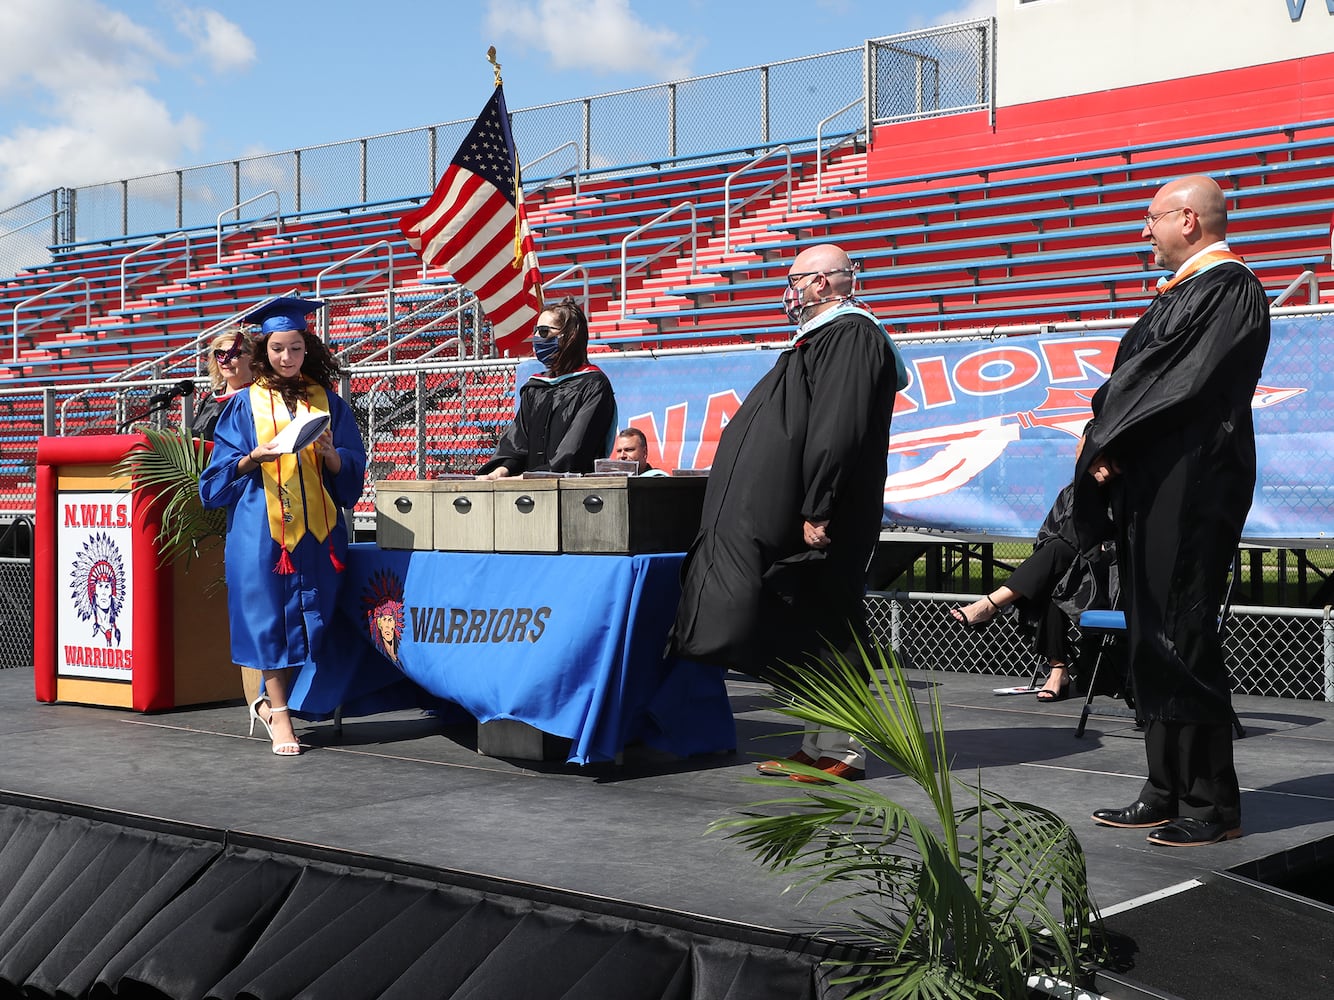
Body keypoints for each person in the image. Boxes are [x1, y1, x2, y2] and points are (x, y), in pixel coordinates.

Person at [670, 243, 908, 783]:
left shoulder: (852, 335)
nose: (790, 288)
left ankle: (844, 752)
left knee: (831, 626)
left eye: (796, 278)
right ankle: (814, 743)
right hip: (806, 510)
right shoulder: (822, 339)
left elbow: (837, 428)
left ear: (822, 283)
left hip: (828, 514)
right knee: (805, 629)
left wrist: (819, 505)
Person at [1078, 176, 1269, 847]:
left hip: (1193, 482)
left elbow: (1172, 385)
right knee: (1149, 629)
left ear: (1187, 219)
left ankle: (1212, 802)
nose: (1143, 231)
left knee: (1182, 631)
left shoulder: (1228, 288)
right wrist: (1108, 448)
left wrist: (1110, 437)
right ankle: (1164, 786)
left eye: (1151, 218)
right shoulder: (1190, 291)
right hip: (1157, 479)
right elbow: (1138, 383)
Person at [199, 296, 368, 757]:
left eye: (294, 348)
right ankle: (278, 714)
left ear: (306, 348)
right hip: (263, 533)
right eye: (277, 349)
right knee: (270, 621)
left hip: (319, 534)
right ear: (262, 351)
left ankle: (296, 703)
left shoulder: (328, 402)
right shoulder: (243, 406)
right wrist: (255, 457)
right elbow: (213, 481)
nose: (286, 358)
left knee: (317, 620)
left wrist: (333, 455)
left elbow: (352, 467)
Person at [951, 479, 1117, 702]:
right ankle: (1057, 671)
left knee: (1057, 562)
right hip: (1068, 573)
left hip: (1106, 577)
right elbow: (1046, 535)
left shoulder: (1126, 493)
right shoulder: (1072, 492)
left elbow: (1132, 542)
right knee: (1057, 572)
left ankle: (991, 605)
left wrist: (1100, 548)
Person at [477, 298, 615, 479]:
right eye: (535, 331)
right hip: (530, 493)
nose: (536, 338)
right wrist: (500, 472)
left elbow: (574, 450)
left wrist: (529, 477)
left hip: (575, 492)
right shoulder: (535, 388)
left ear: (569, 336)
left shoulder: (593, 385)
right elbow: (517, 443)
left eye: (543, 332)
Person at [192, 328, 255, 440]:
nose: (225, 361)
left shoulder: (257, 399)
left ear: (252, 358)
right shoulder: (211, 398)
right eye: (220, 354)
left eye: (234, 354)